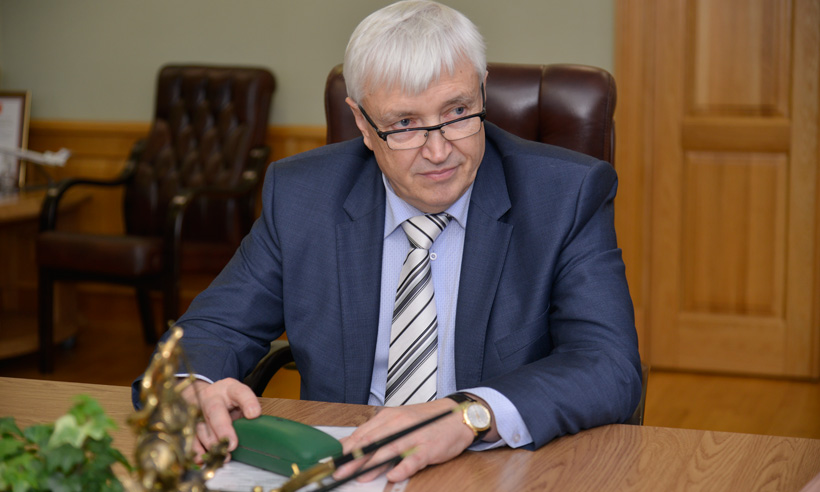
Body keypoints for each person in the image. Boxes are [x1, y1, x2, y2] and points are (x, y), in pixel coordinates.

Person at [132, 0, 641, 484]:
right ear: (361, 122)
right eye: (404, 124)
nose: (439, 150)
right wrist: (191, 389)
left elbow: (609, 365)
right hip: (347, 469)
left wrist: (469, 413)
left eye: (458, 111)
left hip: (499, 469)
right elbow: (215, 326)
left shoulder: (565, 195)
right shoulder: (303, 195)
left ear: (483, 92)